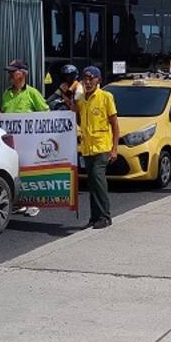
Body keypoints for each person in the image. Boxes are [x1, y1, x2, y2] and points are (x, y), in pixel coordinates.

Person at [75, 66, 119, 229]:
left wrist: (114, 148)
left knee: (98, 179)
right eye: (85, 79)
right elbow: (79, 119)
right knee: (92, 183)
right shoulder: (81, 100)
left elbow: (114, 124)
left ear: (98, 80)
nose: (87, 82)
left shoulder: (106, 97)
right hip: (87, 148)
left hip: (102, 147)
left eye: (91, 79)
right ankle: (94, 217)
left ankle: (105, 216)